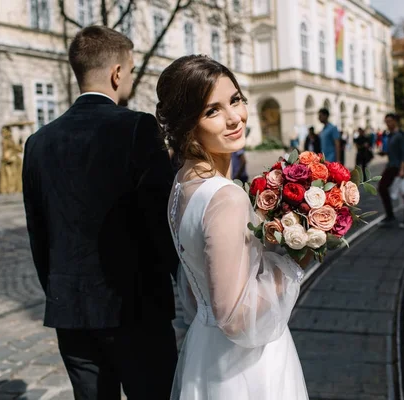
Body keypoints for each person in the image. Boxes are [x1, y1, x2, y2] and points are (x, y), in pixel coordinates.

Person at [22, 26, 179, 400]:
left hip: (71, 310)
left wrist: (60, 291)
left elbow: (38, 233)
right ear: (117, 73)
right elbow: (163, 218)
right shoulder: (138, 127)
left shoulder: (38, 142)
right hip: (136, 308)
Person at [156, 55, 308, 400]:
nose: (234, 118)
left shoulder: (182, 185)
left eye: (235, 100)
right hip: (243, 367)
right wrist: (299, 259)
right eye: (212, 111)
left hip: (204, 348)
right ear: (186, 123)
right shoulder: (226, 197)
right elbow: (235, 319)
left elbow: (197, 291)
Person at [378, 113, 404, 228]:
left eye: (389, 121)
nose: (388, 124)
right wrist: (384, 152)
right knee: (383, 188)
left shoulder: (401, 135)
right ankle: (390, 215)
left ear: (395, 121)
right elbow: (392, 151)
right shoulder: (390, 135)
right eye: (386, 121)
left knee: (403, 192)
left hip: (399, 167)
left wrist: (402, 169)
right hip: (391, 166)